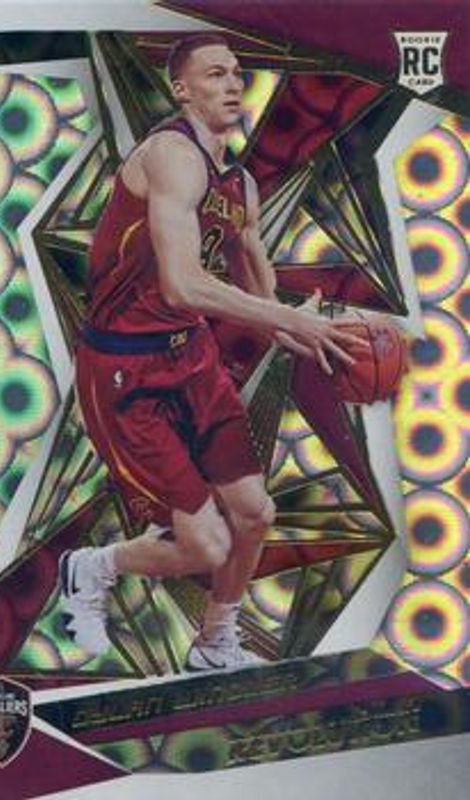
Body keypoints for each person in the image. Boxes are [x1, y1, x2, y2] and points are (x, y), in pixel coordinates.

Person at [59, 33, 364, 670]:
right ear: (181, 89)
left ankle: (214, 643)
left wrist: (303, 332)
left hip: (192, 358)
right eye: (216, 74)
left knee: (255, 513)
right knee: (206, 546)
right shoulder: (172, 155)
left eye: (237, 74)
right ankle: (92, 567)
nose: (233, 84)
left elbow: (258, 289)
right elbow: (183, 284)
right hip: (125, 368)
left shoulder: (240, 184)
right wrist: (285, 318)